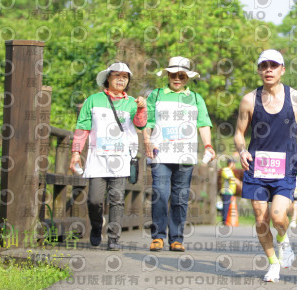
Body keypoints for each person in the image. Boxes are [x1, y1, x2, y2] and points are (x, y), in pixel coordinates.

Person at [234, 49, 297, 283]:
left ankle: (284, 239)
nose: (268, 70)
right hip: (257, 168)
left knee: (278, 216)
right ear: (259, 69)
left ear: (283, 69)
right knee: (261, 220)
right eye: (263, 65)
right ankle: (273, 264)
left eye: (273, 65)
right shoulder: (249, 99)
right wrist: (242, 151)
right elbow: (239, 133)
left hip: (285, 168)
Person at [69, 62, 147, 251]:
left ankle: (113, 238)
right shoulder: (93, 100)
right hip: (97, 158)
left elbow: (141, 124)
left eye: (125, 76)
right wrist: (76, 153)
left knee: (117, 199)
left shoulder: (132, 103)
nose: (121, 79)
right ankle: (97, 226)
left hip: (121, 158)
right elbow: (83, 127)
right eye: (117, 75)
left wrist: (142, 109)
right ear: (108, 78)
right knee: (94, 199)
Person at [142, 57, 214, 252]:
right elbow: (146, 122)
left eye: (181, 75)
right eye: (173, 74)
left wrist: (208, 145)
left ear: (187, 77)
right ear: (168, 75)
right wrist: (147, 140)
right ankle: (158, 236)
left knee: (180, 198)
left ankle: (176, 238)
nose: (177, 78)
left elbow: (203, 123)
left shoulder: (196, 98)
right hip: (160, 155)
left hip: (185, 156)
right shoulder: (155, 95)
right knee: (160, 194)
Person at [220, 158, 241, 225]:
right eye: (233, 163)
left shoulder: (230, 171)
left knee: (228, 206)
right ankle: (224, 220)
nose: (234, 165)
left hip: (230, 191)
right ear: (230, 163)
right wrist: (238, 182)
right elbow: (229, 178)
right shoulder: (226, 169)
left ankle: (226, 220)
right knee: (226, 206)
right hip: (226, 191)